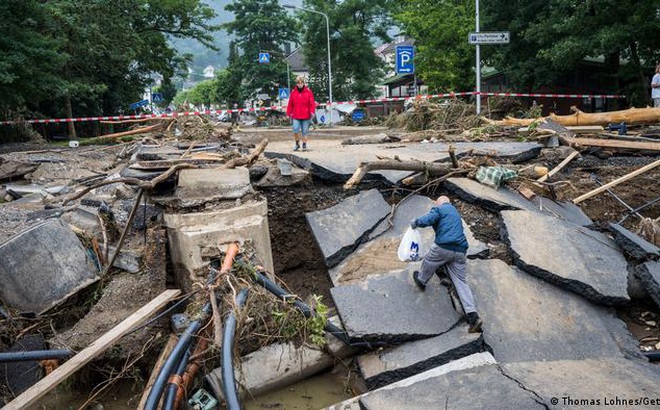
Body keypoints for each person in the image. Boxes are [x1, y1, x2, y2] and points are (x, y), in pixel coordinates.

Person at [410, 196, 483, 333]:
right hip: (460, 251)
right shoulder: (455, 212)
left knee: (430, 260)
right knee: (461, 282)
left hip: (444, 246)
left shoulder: (440, 209)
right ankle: (473, 316)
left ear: (439, 203)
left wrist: (416, 222)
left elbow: (428, 219)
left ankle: (422, 280)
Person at [286, 75, 316, 151]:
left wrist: (312, 112)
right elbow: (290, 104)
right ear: (296, 84)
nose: (300, 84)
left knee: (305, 131)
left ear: (303, 83)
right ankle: (297, 144)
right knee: (295, 129)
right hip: (296, 115)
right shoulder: (293, 93)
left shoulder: (308, 92)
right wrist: (288, 113)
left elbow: (312, 103)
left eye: (301, 83)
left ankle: (304, 145)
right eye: (298, 83)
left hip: (306, 116)